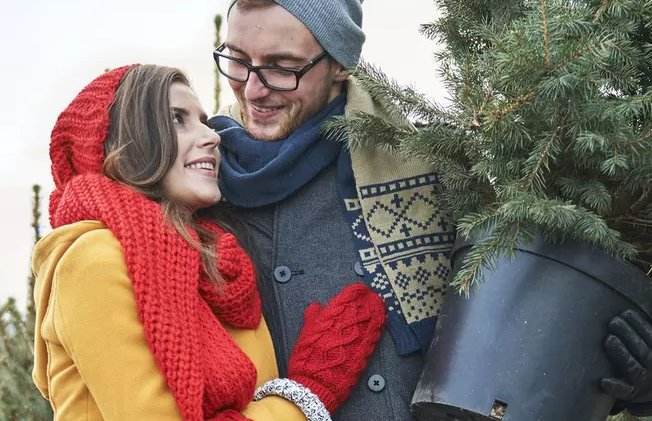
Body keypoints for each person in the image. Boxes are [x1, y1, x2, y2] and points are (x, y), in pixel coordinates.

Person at [209, 0, 652, 420]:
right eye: (237, 60)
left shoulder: (435, 168)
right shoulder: (200, 189)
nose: (251, 89)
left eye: (282, 66)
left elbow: (524, 332)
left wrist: (631, 384)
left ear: (341, 64)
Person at [31, 63, 388, 420]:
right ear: (121, 145)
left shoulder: (214, 261)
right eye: (177, 119)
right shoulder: (95, 260)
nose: (212, 136)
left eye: (203, 120)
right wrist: (307, 394)